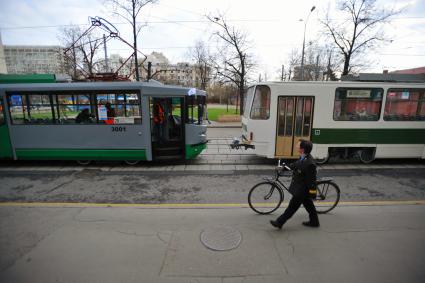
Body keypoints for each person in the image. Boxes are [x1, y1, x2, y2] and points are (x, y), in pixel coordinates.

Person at [270, 139, 319, 229]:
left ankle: (279, 222)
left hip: (302, 190)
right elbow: (295, 165)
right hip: (300, 187)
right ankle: (314, 221)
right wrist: (283, 168)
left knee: (292, 207)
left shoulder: (310, 164)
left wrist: (312, 193)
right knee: (309, 205)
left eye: (298, 145)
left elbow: (312, 181)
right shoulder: (304, 156)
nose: (296, 146)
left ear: (302, 149)